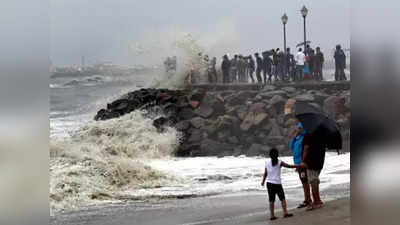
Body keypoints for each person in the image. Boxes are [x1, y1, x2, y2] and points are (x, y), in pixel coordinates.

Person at [261, 148, 297, 220]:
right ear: (277, 155)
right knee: (282, 198)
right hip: (277, 183)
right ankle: (285, 213)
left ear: (270, 155)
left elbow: (265, 173)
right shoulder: (279, 162)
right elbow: (289, 166)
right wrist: (298, 166)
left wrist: (263, 181)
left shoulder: (267, 163)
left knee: (271, 200)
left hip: (269, 183)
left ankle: (272, 215)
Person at [301, 129, 327, 211]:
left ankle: (317, 201)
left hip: (311, 162)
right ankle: (318, 200)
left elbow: (306, 148)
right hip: (320, 162)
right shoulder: (322, 135)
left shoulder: (308, 134)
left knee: (313, 182)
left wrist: (303, 161)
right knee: (315, 181)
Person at [289, 122, 312, 208]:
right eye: (297, 128)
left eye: (299, 128)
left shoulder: (304, 138)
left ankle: (308, 200)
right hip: (297, 163)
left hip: (302, 163)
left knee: (305, 181)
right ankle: (307, 199)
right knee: (303, 182)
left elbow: (306, 150)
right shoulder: (297, 138)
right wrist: (294, 137)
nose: (297, 130)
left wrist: (303, 162)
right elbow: (291, 147)